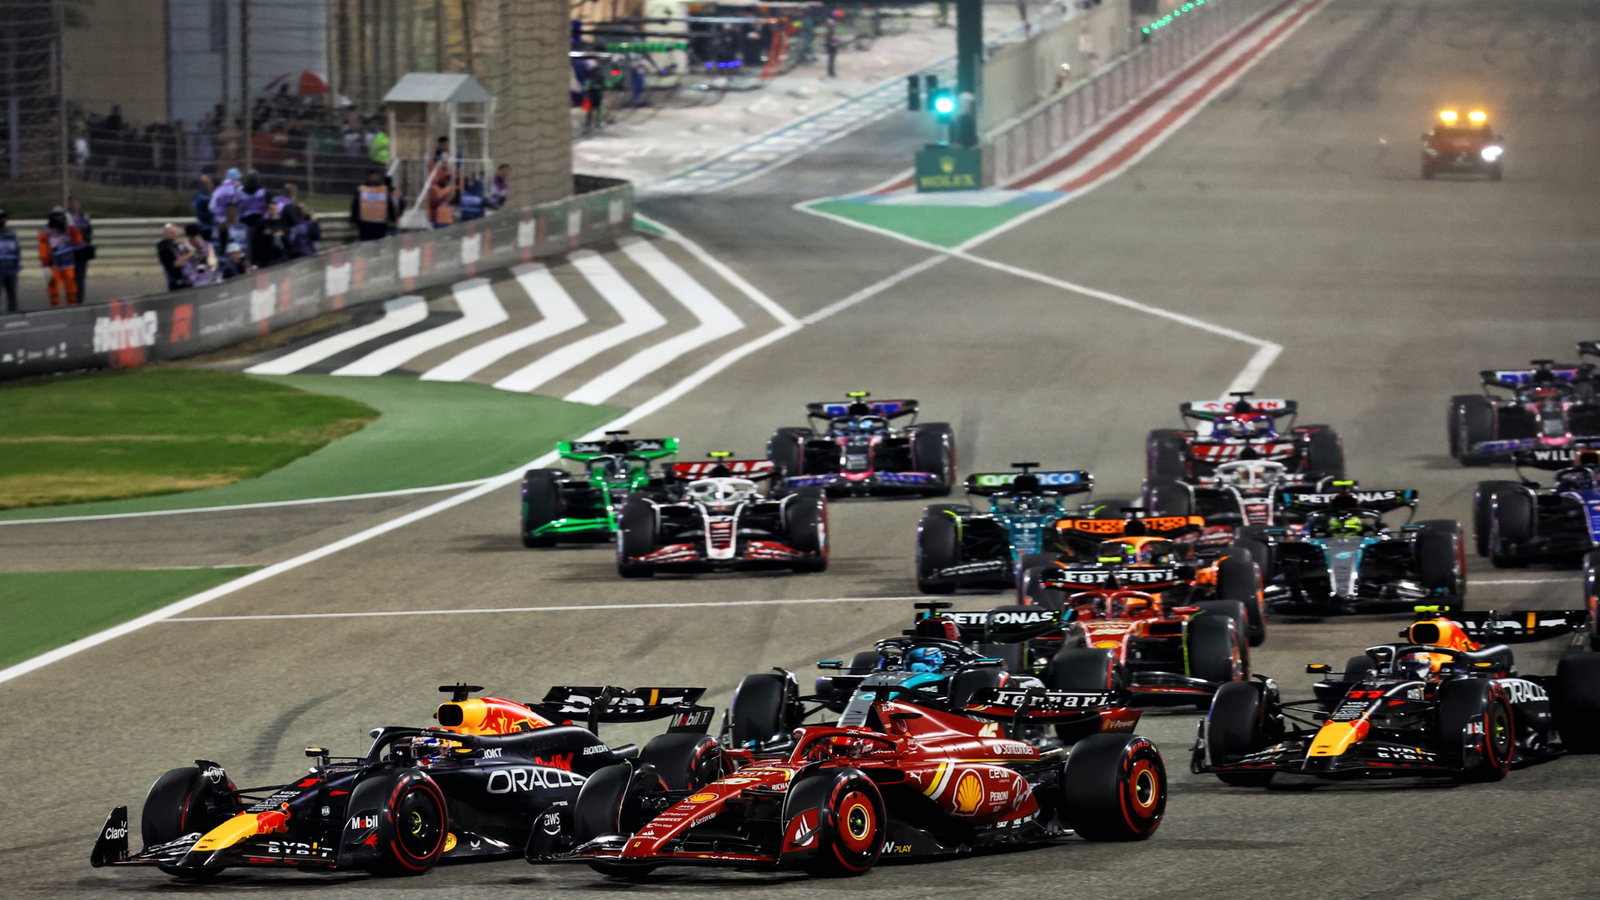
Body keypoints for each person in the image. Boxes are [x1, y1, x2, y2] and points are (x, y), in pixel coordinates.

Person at [37, 207, 83, 307]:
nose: (57, 218)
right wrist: (45, 264)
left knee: (71, 286)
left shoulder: (69, 230)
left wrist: (72, 225)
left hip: (68, 263)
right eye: (55, 216)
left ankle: (72, 305)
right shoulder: (45, 232)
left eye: (60, 216)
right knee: (53, 288)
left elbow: (79, 241)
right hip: (53, 266)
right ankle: (55, 306)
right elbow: (42, 249)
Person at [237, 172, 272, 265]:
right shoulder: (263, 192)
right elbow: (268, 208)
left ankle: (250, 263)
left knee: (248, 246)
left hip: (246, 223)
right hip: (259, 222)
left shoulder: (239, 192)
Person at [351, 168, 392, 241]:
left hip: (380, 224)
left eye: (376, 177)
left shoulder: (384, 190)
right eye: (373, 177)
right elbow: (355, 205)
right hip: (365, 224)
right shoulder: (362, 189)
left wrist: (392, 218)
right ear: (369, 177)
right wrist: (354, 219)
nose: (375, 179)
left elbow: (389, 204)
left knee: (379, 244)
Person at [66, 196, 94, 302]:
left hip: (82, 250)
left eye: (76, 203)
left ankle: (80, 299)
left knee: (81, 277)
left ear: (79, 204)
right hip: (70, 251)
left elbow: (89, 233)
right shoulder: (66, 218)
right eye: (71, 203)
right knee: (71, 276)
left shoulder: (84, 217)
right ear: (69, 205)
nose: (74, 205)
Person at [156, 223, 190, 290]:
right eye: (170, 232)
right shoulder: (164, 248)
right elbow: (172, 265)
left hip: (187, 279)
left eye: (175, 232)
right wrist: (187, 256)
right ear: (165, 234)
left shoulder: (178, 245)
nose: (173, 234)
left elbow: (190, 254)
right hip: (176, 282)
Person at [0, 209, 21, 313]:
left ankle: (13, 312)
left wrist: (17, 264)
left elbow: (17, 249)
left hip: (11, 268)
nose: (2, 219)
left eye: (3, 217)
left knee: (12, 293)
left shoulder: (12, 233)